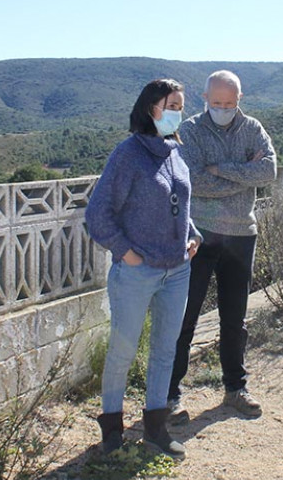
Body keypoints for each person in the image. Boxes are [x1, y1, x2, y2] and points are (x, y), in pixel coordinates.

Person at [85, 79, 202, 459]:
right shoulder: (128, 154)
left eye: (181, 107)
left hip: (177, 269)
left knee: (165, 350)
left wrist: (193, 235)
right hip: (137, 272)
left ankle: (155, 428)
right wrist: (125, 252)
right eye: (172, 105)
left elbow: (179, 202)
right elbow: (97, 213)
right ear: (152, 107)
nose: (177, 113)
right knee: (122, 350)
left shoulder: (174, 151)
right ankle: (113, 431)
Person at [167, 70, 277, 420]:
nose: (223, 108)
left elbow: (269, 171)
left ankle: (235, 388)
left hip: (242, 234)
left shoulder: (253, 128)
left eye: (229, 103)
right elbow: (193, 181)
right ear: (205, 99)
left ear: (239, 100)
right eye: (216, 103)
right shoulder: (191, 130)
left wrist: (220, 169)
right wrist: (242, 173)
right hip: (198, 235)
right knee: (185, 317)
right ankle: (170, 395)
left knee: (235, 318)